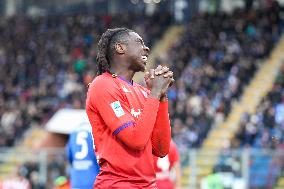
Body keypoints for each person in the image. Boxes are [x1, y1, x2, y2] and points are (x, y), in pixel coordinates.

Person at [86, 27, 174, 188]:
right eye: (139, 42)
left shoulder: (142, 92)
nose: (146, 48)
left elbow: (161, 149)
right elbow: (135, 140)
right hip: (117, 184)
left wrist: (161, 96)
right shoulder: (103, 85)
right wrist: (154, 92)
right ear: (120, 48)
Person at [66, 122, 100, 189]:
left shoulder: (73, 133)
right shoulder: (94, 132)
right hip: (93, 179)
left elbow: (69, 155)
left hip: (76, 180)